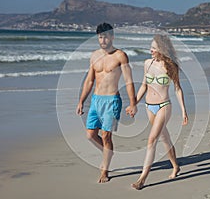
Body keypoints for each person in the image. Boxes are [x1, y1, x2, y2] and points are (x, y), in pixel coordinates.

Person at [76, 23, 137, 183]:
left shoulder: (120, 56)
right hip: (96, 100)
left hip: (112, 101)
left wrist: (133, 103)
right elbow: (89, 81)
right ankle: (108, 152)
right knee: (90, 135)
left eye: (106, 36)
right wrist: (81, 100)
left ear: (112, 37)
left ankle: (105, 170)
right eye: (100, 37)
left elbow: (129, 81)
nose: (103, 40)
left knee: (106, 136)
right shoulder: (94, 56)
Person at [131, 34, 188, 190]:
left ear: (162, 49)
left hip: (164, 106)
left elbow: (177, 89)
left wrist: (184, 110)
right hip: (149, 106)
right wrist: (133, 103)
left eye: (154, 48)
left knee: (151, 140)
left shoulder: (171, 67)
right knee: (165, 139)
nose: (151, 50)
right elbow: (143, 85)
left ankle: (142, 178)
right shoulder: (147, 63)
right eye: (151, 47)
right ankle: (175, 166)